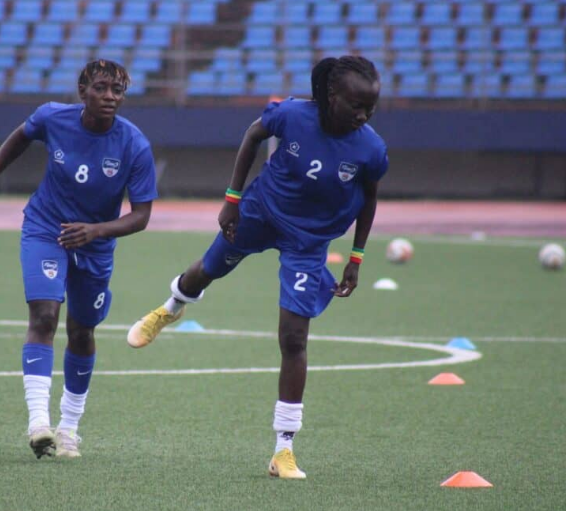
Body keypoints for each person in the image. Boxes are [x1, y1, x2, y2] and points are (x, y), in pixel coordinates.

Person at [127, 56, 387, 479]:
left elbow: (370, 198)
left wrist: (356, 258)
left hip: (309, 242)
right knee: (206, 270)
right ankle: (171, 306)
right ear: (330, 96)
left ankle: (283, 449)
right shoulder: (291, 115)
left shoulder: (371, 148)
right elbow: (252, 136)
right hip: (260, 213)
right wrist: (231, 200)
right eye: (356, 105)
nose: (364, 115)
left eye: (371, 108)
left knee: (294, 338)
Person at [0, 60, 158, 459]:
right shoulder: (53, 118)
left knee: (81, 331)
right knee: (43, 316)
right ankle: (39, 423)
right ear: (82, 90)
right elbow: (19, 138)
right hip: (46, 227)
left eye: (118, 91)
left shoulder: (134, 145)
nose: (110, 97)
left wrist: (96, 231)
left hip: (96, 244)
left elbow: (141, 216)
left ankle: (69, 429)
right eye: (102, 88)